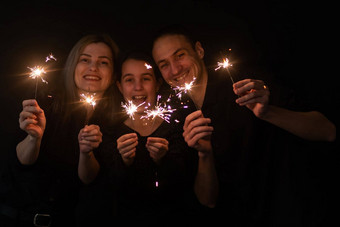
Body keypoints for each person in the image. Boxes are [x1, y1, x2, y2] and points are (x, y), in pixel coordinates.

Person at [151, 24, 336, 225]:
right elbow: (207, 200)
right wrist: (205, 154)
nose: (175, 69)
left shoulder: (249, 84)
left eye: (180, 55)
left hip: (294, 212)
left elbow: (328, 131)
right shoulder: (177, 119)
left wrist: (268, 112)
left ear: (199, 50)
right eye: (164, 64)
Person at [78, 50, 218, 225]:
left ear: (157, 84)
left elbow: (186, 187)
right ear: (120, 86)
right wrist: (124, 162)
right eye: (129, 79)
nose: (138, 87)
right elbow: (103, 190)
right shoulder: (108, 131)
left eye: (145, 78)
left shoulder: (179, 128)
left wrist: (163, 161)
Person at [0, 33, 121, 227]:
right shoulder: (43, 105)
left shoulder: (113, 125)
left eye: (104, 62)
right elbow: (20, 163)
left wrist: (86, 152)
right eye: (85, 60)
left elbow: (90, 180)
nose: (93, 68)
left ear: (114, 74)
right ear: (73, 66)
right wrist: (33, 139)